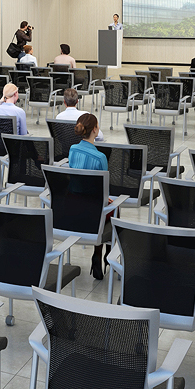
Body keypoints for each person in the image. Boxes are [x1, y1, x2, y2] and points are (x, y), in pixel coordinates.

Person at [65, 112, 110, 280]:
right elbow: (103, 190)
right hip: (93, 211)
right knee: (115, 208)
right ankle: (102, 253)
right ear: (95, 130)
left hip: (73, 205)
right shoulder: (100, 157)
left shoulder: (72, 150)